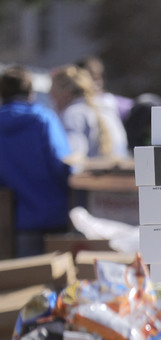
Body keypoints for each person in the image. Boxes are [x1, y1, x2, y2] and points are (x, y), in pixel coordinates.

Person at [0, 66, 72, 257]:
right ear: (31, 93)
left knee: (23, 282)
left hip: (14, 220)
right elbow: (61, 163)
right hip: (54, 214)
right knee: (58, 281)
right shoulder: (43, 118)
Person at [48, 64, 129, 161]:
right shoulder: (105, 108)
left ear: (66, 93)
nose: (51, 98)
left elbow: (73, 159)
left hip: (97, 174)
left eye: (53, 92)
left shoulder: (73, 114)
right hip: (120, 173)